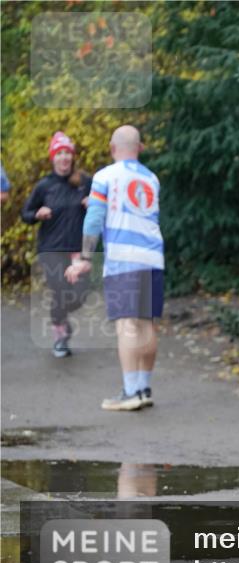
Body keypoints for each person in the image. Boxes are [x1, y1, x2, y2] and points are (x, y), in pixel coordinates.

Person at [65, 125, 163, 412]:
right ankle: (144, 388)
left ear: (111, 148)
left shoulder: (105, 176)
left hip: (123, 259)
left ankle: (130, 392)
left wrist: (84, 257)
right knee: (146, 323)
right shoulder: (152, 178)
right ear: (140, 148)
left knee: (126, 324)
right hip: (153, 256)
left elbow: (94, 218)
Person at [21, 132, 92, 357]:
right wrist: (37, 214)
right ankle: (60, 335)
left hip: (77, 249)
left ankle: (60, 319)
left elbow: (103, 207)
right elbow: (25, 213)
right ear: (53, 158)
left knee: (81, 294)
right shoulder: (44, 186)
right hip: (50, 249)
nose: (64, 158)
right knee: (60, 290)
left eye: (67, 153)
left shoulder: (84, 182)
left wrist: (94, 204)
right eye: (59, 153)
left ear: (72, 157)